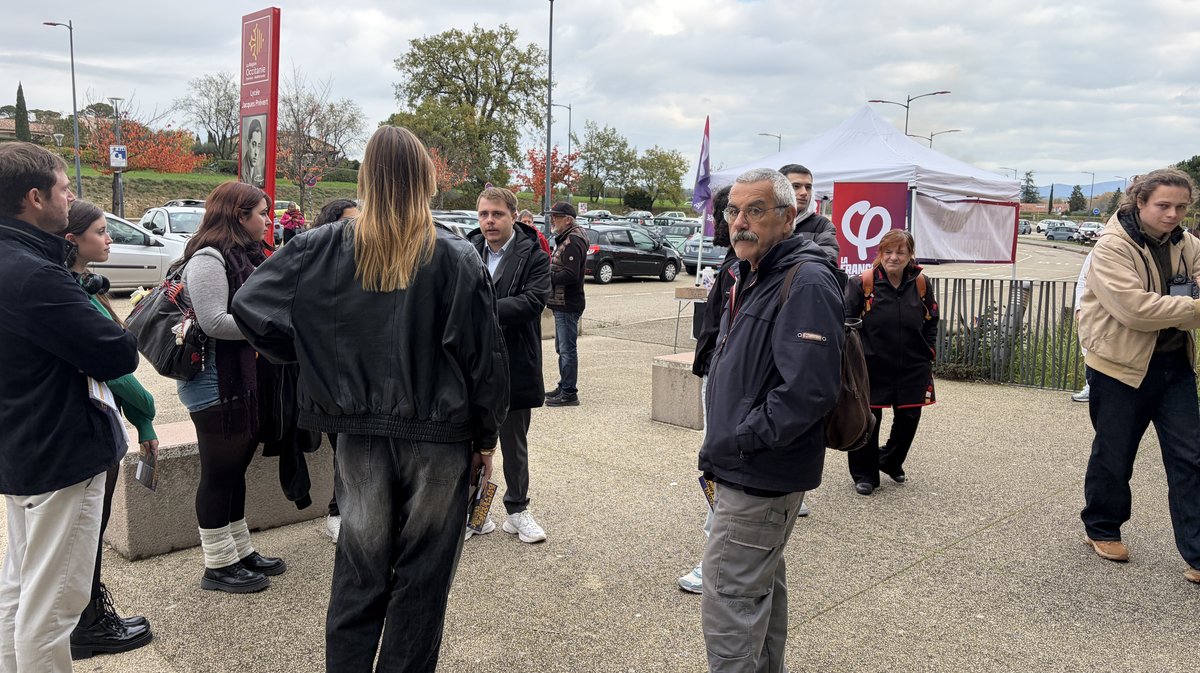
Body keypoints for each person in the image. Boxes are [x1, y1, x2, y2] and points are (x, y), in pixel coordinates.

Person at [230, 125, 508, 671]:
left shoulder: (320, 247)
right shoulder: (454, 256)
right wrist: (486, 438)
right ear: (425, 179)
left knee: (360, 571)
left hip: (358, 432)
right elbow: (485, 361)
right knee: (422, 579)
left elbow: (250, 305)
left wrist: (317, 362)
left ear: (365, 178)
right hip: (438, 436)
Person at [0, 142, 139, 673]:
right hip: (59, 451)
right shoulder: (34, 274)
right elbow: (116, 352)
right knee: (52, 608)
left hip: (24, 446)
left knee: (22, 589)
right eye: (64, 189)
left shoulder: (25, 262)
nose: (71, 198)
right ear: (35, 199)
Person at [699, 168, 844, 672]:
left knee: (729, 603)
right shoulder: (753, 272)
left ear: (787, 217)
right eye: (733, 211)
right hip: (750, 466)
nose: (739, 222)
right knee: (756, 595)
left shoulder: (804, 280)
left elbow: (809, 390)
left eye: (754, 210)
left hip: (759, 472)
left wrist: (741, 440)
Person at [1077, 168, 1200, 585]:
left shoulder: (1188, 243)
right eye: (1163, 205)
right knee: (1115, 454)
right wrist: (1194, 308)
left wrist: (1173, 306)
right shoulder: (1112, 247)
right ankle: (1102, 527)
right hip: (1119, 367)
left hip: (1174, 366)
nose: (1173, 215)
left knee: (1191, 458)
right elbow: (1134, 310)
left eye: (1181, 206)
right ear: (1140, 202)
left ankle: (1197, 554)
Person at [173, 180, 288, 594]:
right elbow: (214, 322)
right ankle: (217, 564)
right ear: (239, 216)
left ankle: (238, 550)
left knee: (235, 469)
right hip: (213, 384)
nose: (268, 220)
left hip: (239, 379)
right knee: (220, 472)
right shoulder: (209, 257)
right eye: (261, 213)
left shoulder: (245, 254)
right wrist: (274, 330)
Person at [62, 200, 155, 659]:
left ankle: (91, 617)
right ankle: (89, 624)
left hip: (89, 428)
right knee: (84, 540)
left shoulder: (79, 287)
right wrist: (146, 411)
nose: (110, 238)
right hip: (85, 433)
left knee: (84, 540)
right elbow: (118, 370)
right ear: (72, 239)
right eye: (101, 231)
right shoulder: (72, 295)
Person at [466, 187, 551, 543]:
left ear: (513, 216)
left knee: (513, 443)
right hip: (471, 365)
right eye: (484, 214)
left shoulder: (534, 255)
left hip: (515, 363)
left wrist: (479, 313)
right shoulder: (465, 250)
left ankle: (517, 510)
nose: (489, 221)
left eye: (497, 214)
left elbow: (533, 301)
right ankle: (474, 514)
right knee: (468, 444)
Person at [843, 229, 939, 496]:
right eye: (888, 252)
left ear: (910, 255)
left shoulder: (921, 283)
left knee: (909, 416)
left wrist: (928, 351)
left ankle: (889, 460)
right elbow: (846, 324)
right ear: (880, 254)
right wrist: (852, 361)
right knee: (869, 420)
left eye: (900, 252)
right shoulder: (862, 283)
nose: (894, 257)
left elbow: (932, 319)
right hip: (871, 366)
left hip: (912, 366)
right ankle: (865, 474)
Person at [309, 197, 361, 543]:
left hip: (360, 374)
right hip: (330, 375)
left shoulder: (363, 262)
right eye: (349, 223)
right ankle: (337, 512)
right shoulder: (315, 265)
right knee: (342, 446)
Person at [545, 201, 588, 407]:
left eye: (556, 216)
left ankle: (569, 392)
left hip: (568, 303)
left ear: (568, 219)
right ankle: (564, 385)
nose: (552, 219)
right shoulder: (566, 238)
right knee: (562, 349)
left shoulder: (573, 242)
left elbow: (570, 275)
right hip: (561, 303)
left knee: (567, 349)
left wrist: (548, 274)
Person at [779, 163, 839, 263]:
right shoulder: (764, 220)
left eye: (808, 187)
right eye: (796, 186)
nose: (804, 192)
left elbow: (826, 259)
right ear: (779, 189)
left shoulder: (822, 225)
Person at [1071, 252, 1094, 402]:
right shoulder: (1096, 251)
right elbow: (1082, 281)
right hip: (1092, 313)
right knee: (1088, 350)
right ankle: (1090, 386)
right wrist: (1079, 308)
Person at [241, 118, 265, 188]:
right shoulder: (242, 170)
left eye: (258, 146)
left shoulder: (259, 171)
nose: (256, 153)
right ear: (248, 143)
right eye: (254, 144)